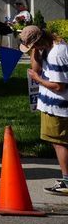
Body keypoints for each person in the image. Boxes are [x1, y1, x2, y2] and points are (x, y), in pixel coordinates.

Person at [23, 25, 68, 195]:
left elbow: (59, 85)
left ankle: (67, 181)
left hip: (59, 106)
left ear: (39, 41)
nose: (32, 50)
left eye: (33, 46)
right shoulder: (49, 48)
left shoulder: (57, 53)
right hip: (52, 105)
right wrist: (34, 52)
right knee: (58, 142)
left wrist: (38, 80)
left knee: (60, 143)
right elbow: (36, 68)